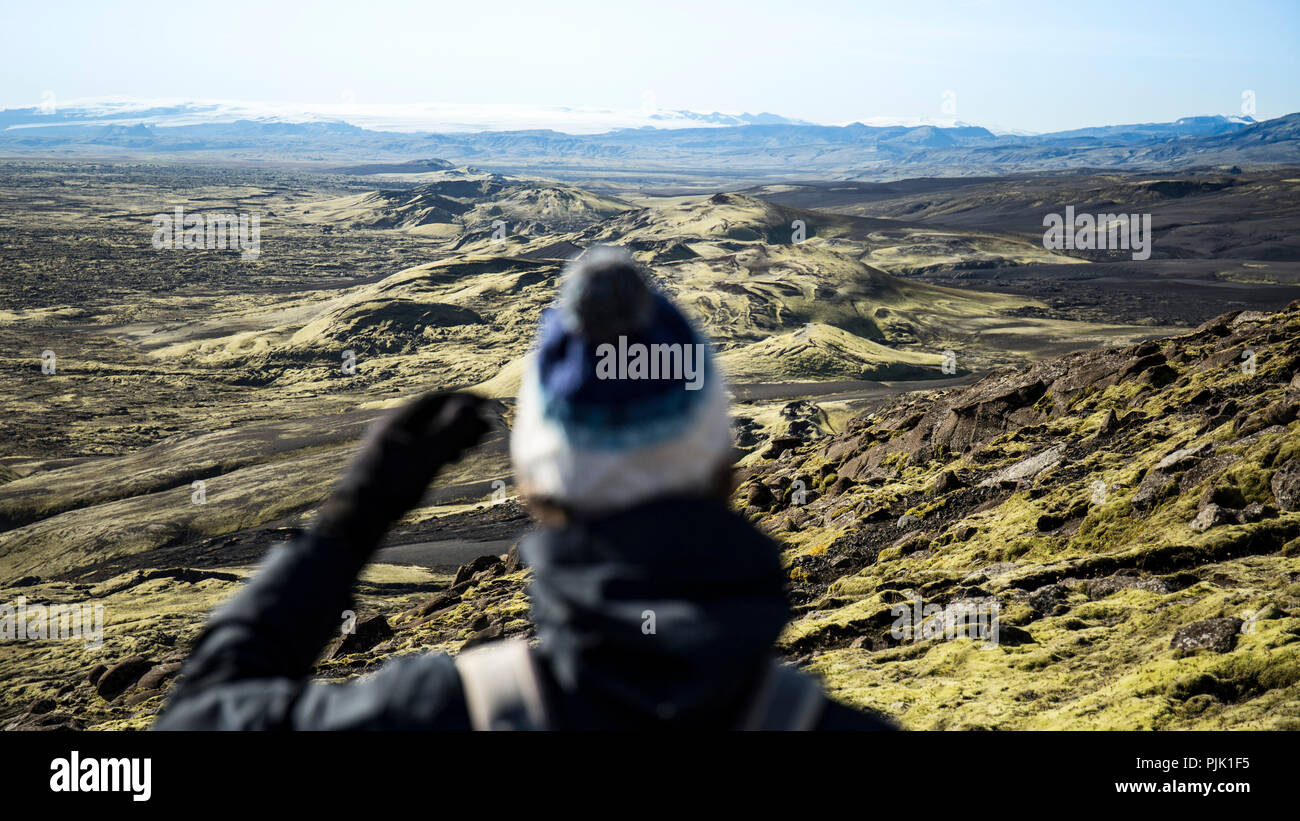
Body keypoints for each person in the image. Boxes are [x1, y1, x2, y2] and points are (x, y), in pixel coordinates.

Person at [154, 246, 895, 731]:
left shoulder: (435, 713)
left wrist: (347, 528)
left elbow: (195, 719)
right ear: (726, 473)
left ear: (533, 485)